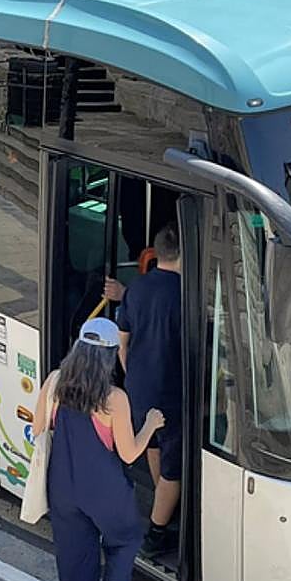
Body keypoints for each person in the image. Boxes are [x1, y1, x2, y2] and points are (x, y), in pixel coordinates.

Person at [33, 318, 164, 581]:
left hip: (63, 486)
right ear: (109, 356)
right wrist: (151, 423)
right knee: (126, 539)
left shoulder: (55, 382)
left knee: (76, 558)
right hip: (104, 490)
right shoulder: (114, 398)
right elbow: (129, 453)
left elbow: (38, 430)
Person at [115, 226, 183, 560]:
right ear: (183, 254)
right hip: (169, 393)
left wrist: (135, 378)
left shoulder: (137, 288)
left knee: (151, 443)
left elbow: (122, 344)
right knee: (175, 468)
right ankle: (158, 532)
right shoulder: (187, 294)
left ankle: (161, 501)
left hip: (138, 388)